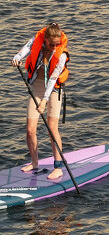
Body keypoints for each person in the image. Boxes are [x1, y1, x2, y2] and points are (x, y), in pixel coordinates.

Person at [11, 22, 69, 182]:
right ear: (45, 40)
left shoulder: (61, 55)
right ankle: (34, 163)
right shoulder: (37, 41)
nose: (55, 47)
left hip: (54, 90)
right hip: (36, 87)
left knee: (52, 128)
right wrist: (16, 59)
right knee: (30, 130)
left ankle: (58, 167)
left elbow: (52, 79)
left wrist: (44, 101)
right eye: (52, 44)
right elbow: (23, 51)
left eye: (57, 44)